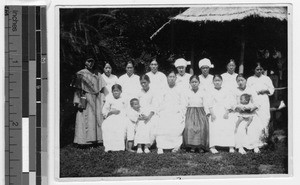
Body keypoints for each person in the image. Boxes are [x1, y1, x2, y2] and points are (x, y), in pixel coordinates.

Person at [72, 58, 107, 145]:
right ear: (85, 62)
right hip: (85, 98)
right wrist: (77, 100)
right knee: (84, 118)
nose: (90, 63)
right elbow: (77, 89)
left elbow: (102, 88)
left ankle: (97, 140)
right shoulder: (80, 74)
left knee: (96, 119)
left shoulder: (97, 74)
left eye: (92, 61)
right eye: (88, 61)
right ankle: (83, 141)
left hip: (96, 99)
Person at [155, 70, 185, 154]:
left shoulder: (180, 88)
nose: (171, 79)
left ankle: (176, 146)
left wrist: (181, 112)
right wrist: (160, 111)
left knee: (176, 126)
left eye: (173, 77)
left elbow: (183, 102)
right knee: (162, 125)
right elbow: (159, 102)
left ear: (176, 78)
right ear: (167, 78)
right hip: (164, 111)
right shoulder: (162, 88)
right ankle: (160, 146)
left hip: (176, 111)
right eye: (170, 77)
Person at [233, 74, 263, 154]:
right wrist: (238, 107)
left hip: (251, 113)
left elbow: (257, 102)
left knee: (254, 126)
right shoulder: (234, 90)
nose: (240, 82)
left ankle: (255, 146)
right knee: (240, 127)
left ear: (246, 80)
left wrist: (253, 107)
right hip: (239, 113)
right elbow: (232, 103)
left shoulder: (251, 90)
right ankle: (240, 146)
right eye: (238, 81)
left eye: (242, 80)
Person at [183, 75, 211, 153]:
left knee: (201, 128)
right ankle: (192, 146)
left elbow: (205, 103)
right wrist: (184, 113)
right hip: (190, 111)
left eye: (196, 82)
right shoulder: (187, 92)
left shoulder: (203, 92)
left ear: (199, 82)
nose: (194, 84)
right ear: (189, 83)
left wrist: (207, 112)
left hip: (200, 112)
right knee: (190, 127)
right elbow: (184, 103)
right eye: (192, 82)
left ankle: (200, 146)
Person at [208, 75, 236, 154]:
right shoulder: (210, 91)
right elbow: (209, 104)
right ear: (213, 82)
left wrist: (227, 112)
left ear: (222, 81)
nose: (217, 82)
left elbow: (229, 102)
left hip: (224, 111)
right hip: (214, 111)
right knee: (213, 125)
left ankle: (230, 146)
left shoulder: (226, 90)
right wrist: (212, 114)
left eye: (219, 80)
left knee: (228, 124)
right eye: (215, 81)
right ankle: (213, 146)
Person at [247, 63, 274, 139]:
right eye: (257, 69)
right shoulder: (250, 79)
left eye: (260, 69)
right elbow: (248, 91)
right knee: (255, 118)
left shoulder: (266, 78)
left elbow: (272, 89)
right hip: (254, 100)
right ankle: (255, 138)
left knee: (265, 117)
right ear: (254, 70)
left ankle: (265, 138)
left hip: (264, 100)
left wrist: (265, 91)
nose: (259, 71)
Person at [102, 84, 128, 152]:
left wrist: (121, 113)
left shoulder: (124, 100)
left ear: (121, 91)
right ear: (112, 92)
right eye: (114, 91)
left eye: (117, 91)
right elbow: (104, 111)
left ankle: (119, 147)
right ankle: (109, 147)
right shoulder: (109, 100)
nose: (116, 92)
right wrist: (112, 112)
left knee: (119, 127)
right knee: (107, 126)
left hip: (122, 116)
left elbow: (127, 109)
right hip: (111, 116)